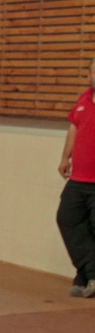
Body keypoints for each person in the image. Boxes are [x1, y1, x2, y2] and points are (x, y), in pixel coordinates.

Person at [57, 57, 95, 297]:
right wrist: (65, 157)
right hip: (78, 179)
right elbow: (74, 127)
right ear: (89, 75)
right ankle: (90, 273)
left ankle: (86, 277)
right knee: (67, 220)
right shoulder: (83, 99)